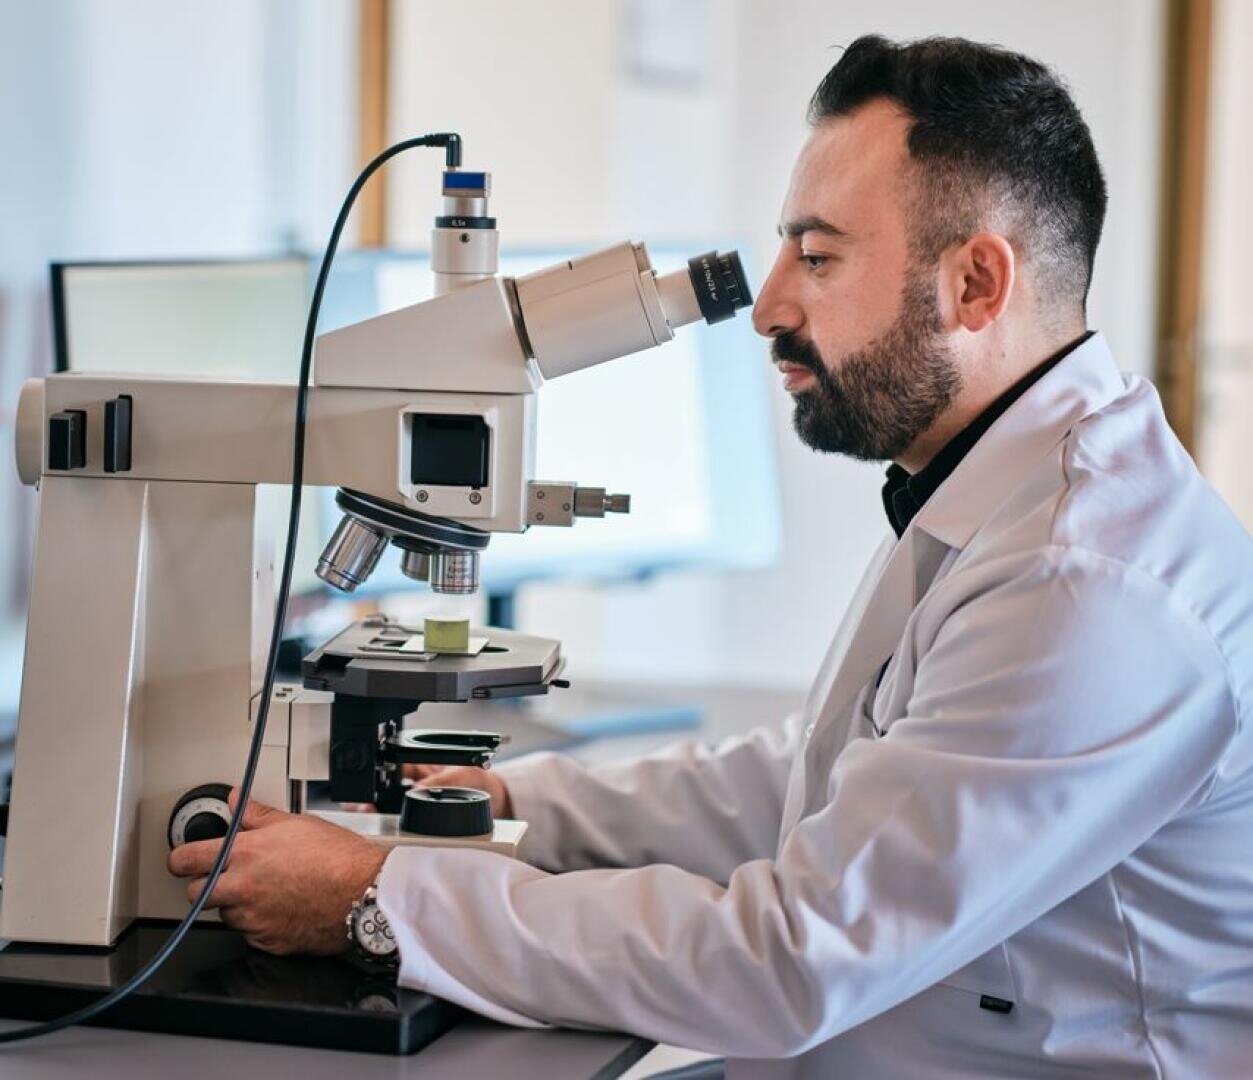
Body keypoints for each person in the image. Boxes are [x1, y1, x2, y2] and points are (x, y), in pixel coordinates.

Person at [168, 35, 1253, 1077]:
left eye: (817, 256)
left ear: (973, 285)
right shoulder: (996, 486)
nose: (771, 305)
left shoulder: (1086, 586)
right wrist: (514, 803)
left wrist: (379, 896)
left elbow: (787, 958)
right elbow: (815, 776)